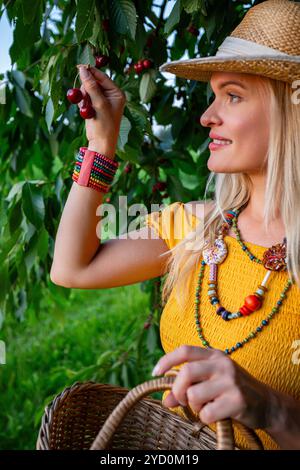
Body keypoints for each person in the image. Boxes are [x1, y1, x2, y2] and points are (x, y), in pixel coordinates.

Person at [50, 0, 300, 449]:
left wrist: (272, 408)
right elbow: (72, 268)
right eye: (213, 95)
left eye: (234, 95)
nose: (207, 116)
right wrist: (102, 144)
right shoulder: (198, 226)